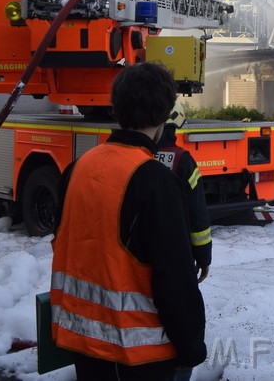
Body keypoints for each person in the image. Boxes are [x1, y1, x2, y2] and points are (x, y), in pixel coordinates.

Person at [50, 63, 206, 381]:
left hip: (83, 344)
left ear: (117, 107)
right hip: (139, 354)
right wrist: (192, 347)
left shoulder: (78, 168)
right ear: (165, 114)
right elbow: (174, 279)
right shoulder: (155, 181)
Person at [156, 101, 212, 282]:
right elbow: (197, 213)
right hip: (175, 251)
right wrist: (203, 257)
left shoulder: (135, 154)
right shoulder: (183, 161)